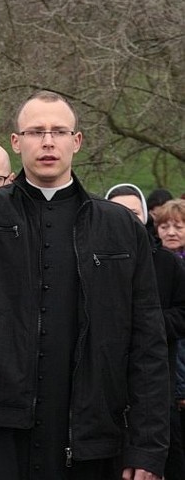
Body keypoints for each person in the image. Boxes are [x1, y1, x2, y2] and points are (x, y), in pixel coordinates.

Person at [0, 90, 168, 480]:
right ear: (17, 142)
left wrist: (148, 448)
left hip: (89, 432)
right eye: (35, 131)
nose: (48, 141)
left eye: (58, 131)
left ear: (77, 141)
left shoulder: (120, 227)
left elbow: (147, 342)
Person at [106, 184, 185, 480]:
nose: (127, 220)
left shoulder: (166, 263)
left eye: (133, 213)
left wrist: (149, 325)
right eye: (118, 213)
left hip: (156, 378)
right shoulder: (93, 262)